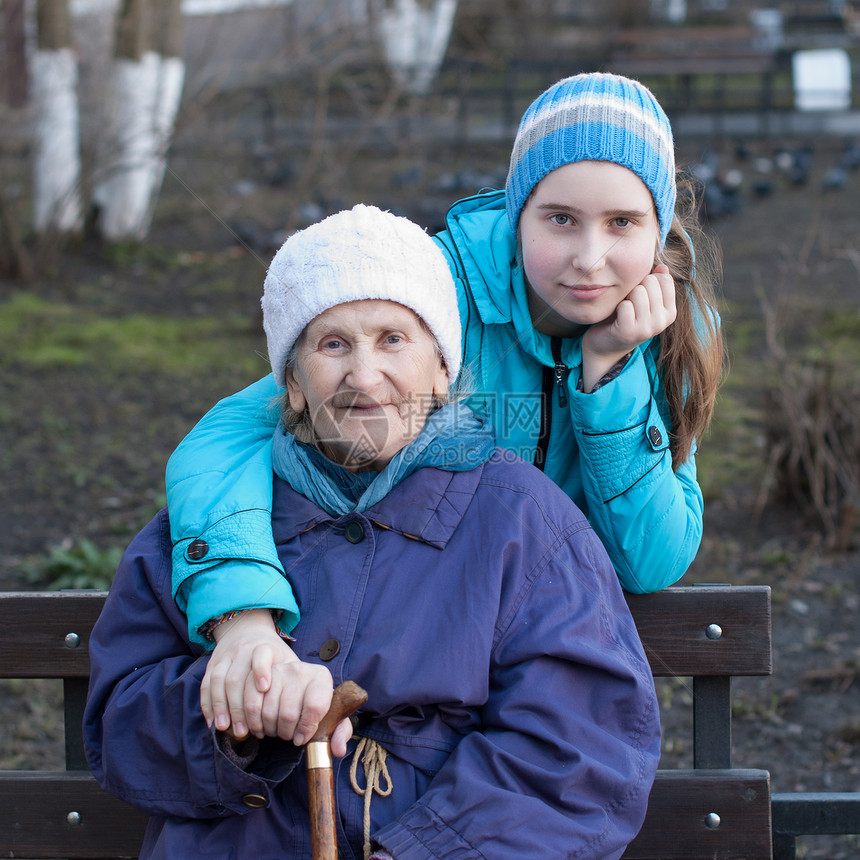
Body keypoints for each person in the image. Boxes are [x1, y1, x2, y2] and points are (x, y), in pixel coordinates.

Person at [84, 205, 661, 860]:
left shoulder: (523, 521)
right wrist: (235, 713)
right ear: (294, 384)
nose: (364, 376)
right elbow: (120, 725)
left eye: (393, 338)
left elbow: (577, 755)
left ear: (442, 370)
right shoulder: (215, 526)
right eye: (333, 344)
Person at [166, 71, 724, 735]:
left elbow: (650, 562)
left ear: (658, 230)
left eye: (623, 223)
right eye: (561, 219)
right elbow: (228, 435)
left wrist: (610, 372)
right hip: (421, 641)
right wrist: (244, 616)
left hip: (552, 652)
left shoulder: (673, 327)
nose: (590, 258)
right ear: (520, 210)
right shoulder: (434, 290)